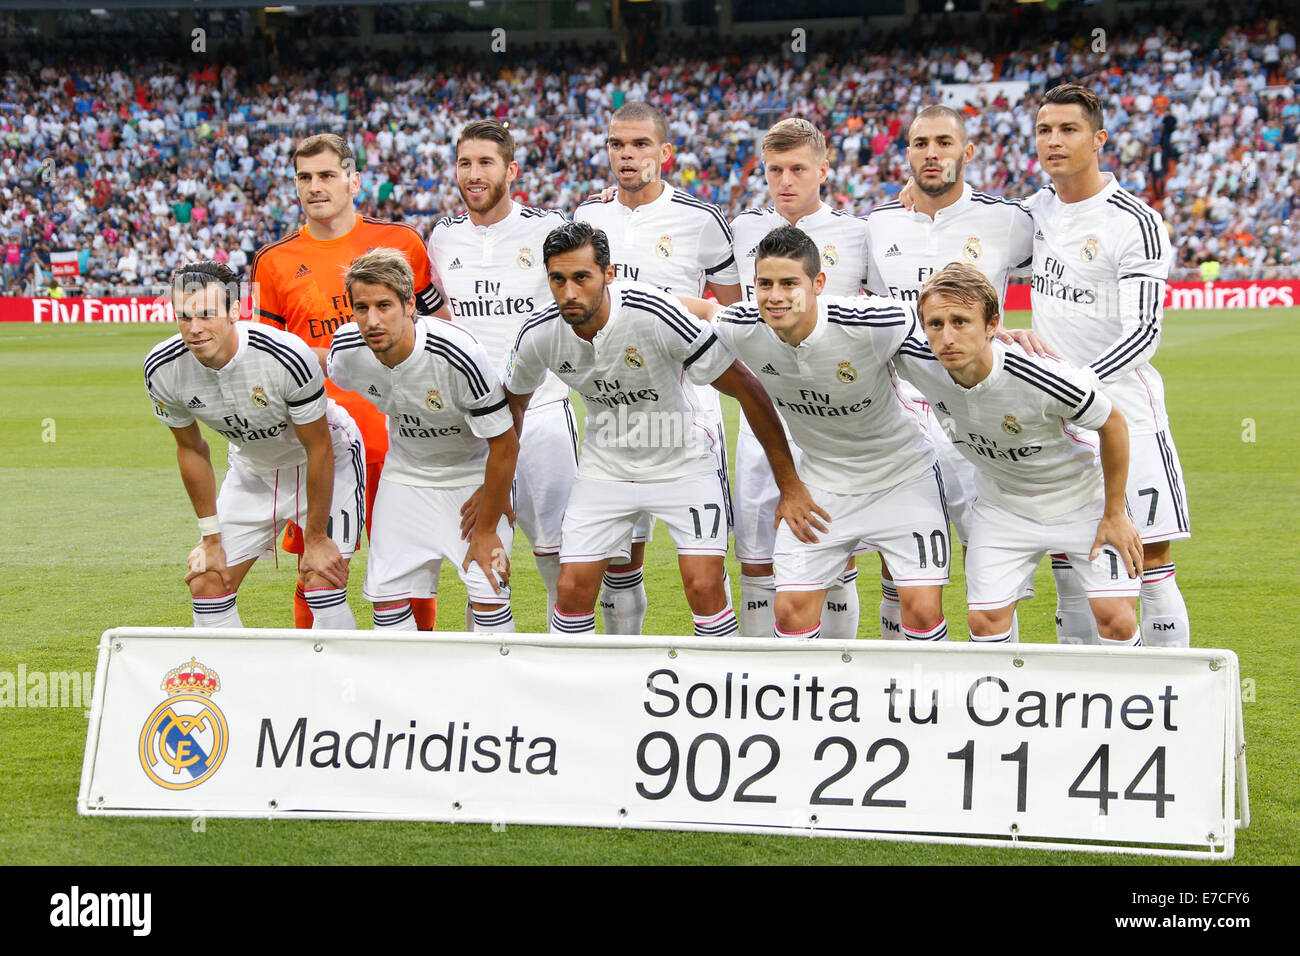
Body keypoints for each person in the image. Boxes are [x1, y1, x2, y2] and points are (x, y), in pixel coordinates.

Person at [503, 221, 816, 638]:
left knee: (703, 585)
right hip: (605, 470)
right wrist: (497, 491)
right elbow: (513, 407)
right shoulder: (539, 332)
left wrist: (790, 486)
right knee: (571, 588)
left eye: (581, 277)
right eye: (557, 280)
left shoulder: (654, 312)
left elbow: (748, 389)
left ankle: (715, 675)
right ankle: (583, 679)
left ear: (608, 274)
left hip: (683, 462)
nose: (569, 292)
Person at [703, 226, 950, 641]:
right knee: (790, 612)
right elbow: (693, 307)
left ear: (818, 283)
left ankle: (913, 685)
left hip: (902, 478)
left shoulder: (874, 321)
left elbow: (947, 330)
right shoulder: (741, 325)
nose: (775, 296)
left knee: (923, 613)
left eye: (789, 283)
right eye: (765, 284)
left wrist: (1000, 338)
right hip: (822, 484)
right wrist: (789, 486)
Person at [250, 133, 447, 632]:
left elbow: (440, 328)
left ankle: (416, 667)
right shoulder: (273, 261)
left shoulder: (402, 243)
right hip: (321, 443)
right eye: (304, 177)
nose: (315, 186)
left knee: (410, 569)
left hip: (400, 436)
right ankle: (315, 669)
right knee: (317, 565)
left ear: (353, 180)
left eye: (327, 175)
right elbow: (267, 361)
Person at [892, 263, 1144, 644]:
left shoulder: (1041, 375)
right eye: (935, 324)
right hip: (1003, 507)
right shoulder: (919, 361)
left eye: (961, 322)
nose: (947, 337)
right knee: (984, 620)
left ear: (992, 324)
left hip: (1080, 500)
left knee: (1117, 620)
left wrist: (1115, 514)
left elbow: (1113, 423)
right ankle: (998, 686)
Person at [1023, 84, 1190, 648]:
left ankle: (1172, 691)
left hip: (1128, 415)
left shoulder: (1134, 221)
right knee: (1071, 563)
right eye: (1045, 130)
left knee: (1151, 560)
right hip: (1058, 419)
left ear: (1098, 139)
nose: (1054, 140)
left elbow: (1142, 334)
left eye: (1068, 129)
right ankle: (1086, 692)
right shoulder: (1036, 211)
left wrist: (1073, 385)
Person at [870, 104, 1036, 642]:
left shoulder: (1008, 219)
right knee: (899, 562)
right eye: (921, 143)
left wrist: (1015, 333)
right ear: (907, 154)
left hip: (977, 415)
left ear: (968, 151)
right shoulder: (878, 224)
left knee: (986, 559)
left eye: (944, 142)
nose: (932, 153)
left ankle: (998, 678)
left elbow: (1067, 240)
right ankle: (905, 679)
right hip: (899, 415)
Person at [574, 102, 741, 636]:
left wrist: (678, 306)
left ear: (665, 152)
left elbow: (732, 315)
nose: (627, 154)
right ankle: (623, 669)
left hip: (687, 413)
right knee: (619, 564)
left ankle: (719, 674)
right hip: (615, 415)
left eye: (640, 144)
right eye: (617, 144)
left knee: (704, 577)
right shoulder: (589, 217)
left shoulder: (701, 219)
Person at [144, 260, 362, 630]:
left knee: (321, 579)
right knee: (207, 579)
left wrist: (315, 538)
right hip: (253, 470)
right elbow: (191, 449)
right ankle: (227, 670)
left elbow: (319, 447)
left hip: (326, 461)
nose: (194, 328)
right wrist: (210, 538)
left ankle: (337, 670)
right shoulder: (162, 368)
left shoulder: (285, 355)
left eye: (206, 314)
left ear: (234, 311)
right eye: (184, 316)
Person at [729, 117, 872, 639]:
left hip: (833, 420)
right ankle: (756, 676)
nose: (785, 181)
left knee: (832, 552)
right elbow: (731, 312)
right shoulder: (743, 229)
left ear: (824, 170)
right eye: (774, 170)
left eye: (798, 169)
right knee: (755, 555)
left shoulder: (858, 234)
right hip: (763, 412)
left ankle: (833, 673)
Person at [426, 120, 574, 625]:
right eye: (464, 163)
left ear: (511, 170)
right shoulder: (442, 237)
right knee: (481, 560)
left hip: (543, 412)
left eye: (485, 163)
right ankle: (487, 666)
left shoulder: (548, 228)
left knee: (559, 558)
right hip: (473, 424)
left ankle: (565, 658)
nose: (474, 174)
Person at [327, 249, 519, 632]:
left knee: (490, 592)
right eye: (361, 308)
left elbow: (506, 444)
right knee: (386, 602)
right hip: (405, 477)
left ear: (410, 305)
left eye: (384, 305)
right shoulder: (348, 350)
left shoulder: (460, 355)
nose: (372, 320)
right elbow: (324, 369)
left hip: (472, 478)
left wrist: (486, 524)